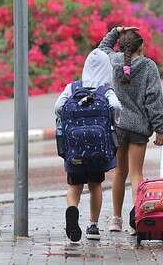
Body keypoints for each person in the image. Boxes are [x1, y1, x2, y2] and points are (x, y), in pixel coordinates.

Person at [98, 26, 163, 233]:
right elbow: (154, 99)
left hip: (117, 125)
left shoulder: (113, 61)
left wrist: (116, 31)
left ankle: (115, 220)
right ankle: (139, 219)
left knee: (119, 172)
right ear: (141, 46)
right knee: (137, 173)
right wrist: (160, 129)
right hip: (138, 127)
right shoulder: (148, 66)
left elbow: (102, 48)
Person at [54, 49, 122, 242]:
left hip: (74, 149)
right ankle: (93, 225)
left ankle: (72, 210)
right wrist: (114, 120)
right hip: (98, 151)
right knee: (95, 185)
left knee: (74, 185)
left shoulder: (72, 88)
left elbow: (58, 107)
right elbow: (116, 107)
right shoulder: (105, 91)